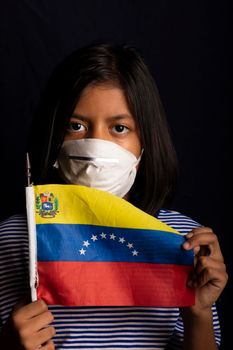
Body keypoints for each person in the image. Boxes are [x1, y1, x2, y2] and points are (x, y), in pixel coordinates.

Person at [0, 43, 228, 350]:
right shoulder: (13, 238)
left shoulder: (180, 240)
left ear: (144, 143)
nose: (96, 147)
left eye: (119, 128)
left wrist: (198, 312)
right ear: (54, 134)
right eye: (75, 126)